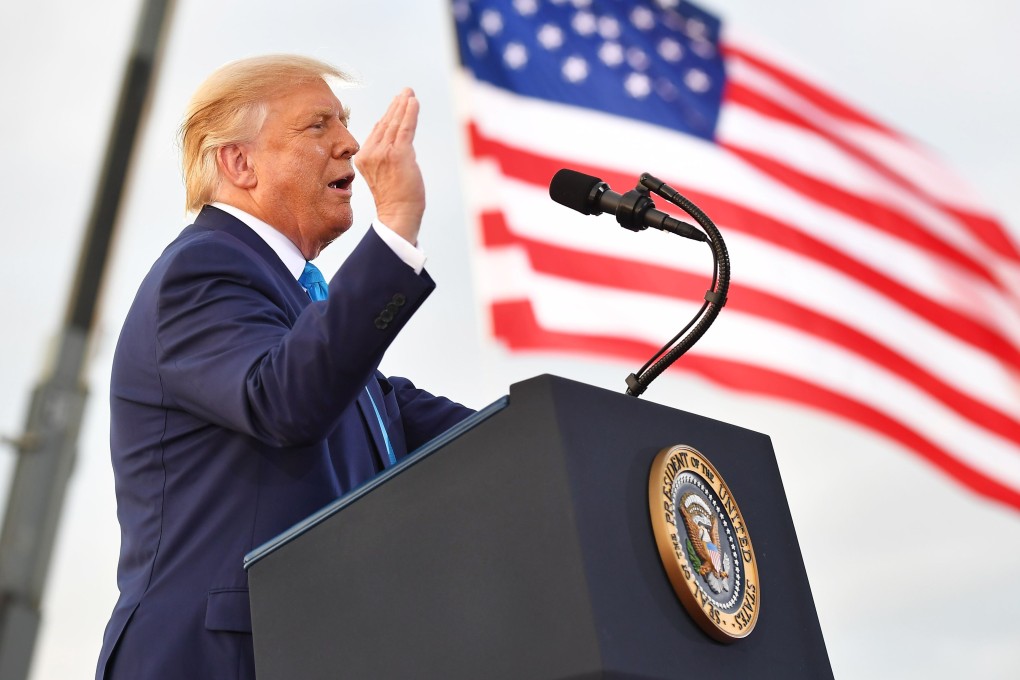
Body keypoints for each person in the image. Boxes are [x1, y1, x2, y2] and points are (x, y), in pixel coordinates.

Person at [95, 54, 474, 680]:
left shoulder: (303, 307)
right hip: (217, 659)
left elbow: (446, 428)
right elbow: (285, 399)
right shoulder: (202, 269)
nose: (350, 144)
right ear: (238, 163)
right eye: (318, 125)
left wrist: (580, 430)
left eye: (344, 123)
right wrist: (396, 233)